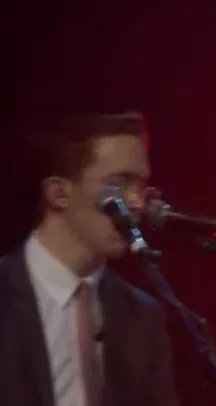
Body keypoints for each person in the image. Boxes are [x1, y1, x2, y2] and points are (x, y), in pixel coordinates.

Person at [0, 111, 179, 406]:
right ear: (58, 194)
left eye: (141, 186)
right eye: (119, 185)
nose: (137, 203)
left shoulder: (142, 317)